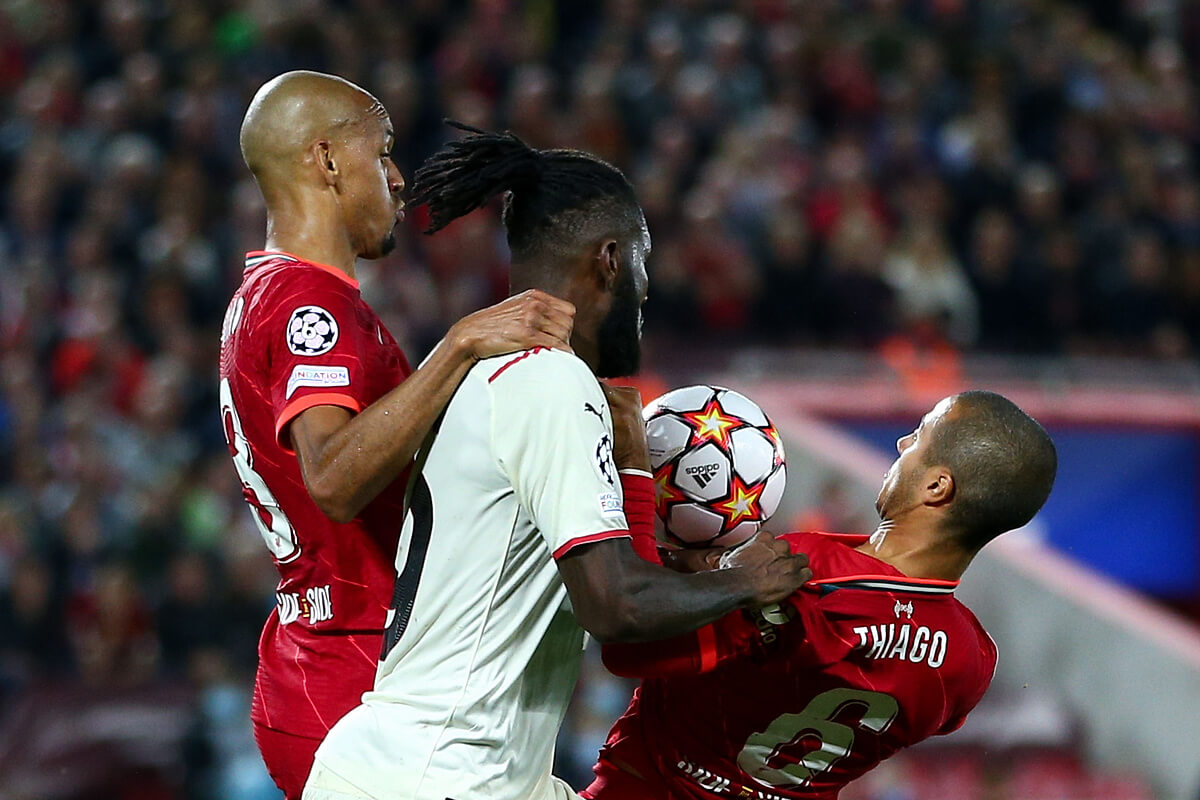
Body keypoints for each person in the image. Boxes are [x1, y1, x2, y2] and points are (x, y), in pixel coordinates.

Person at [303, 124, 813, 800]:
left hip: (435, 768)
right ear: (608, 259)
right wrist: (742, 581)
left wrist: (631, 467)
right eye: (642, 261)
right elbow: (614, 605)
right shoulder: (550, 379)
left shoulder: (477, 364)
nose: (646, 288)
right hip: (438, 776)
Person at [219, 72, 576, 800]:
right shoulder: (308, 306)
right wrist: (460, 346)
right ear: (325, 162)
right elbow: (337, 479)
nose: (398, 178)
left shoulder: (273, 293)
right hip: (351, 673)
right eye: (381, 154)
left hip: (332, 654)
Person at [585, 390, 1058, 800]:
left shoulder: (802, 573)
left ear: (937, 486)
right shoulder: (971, 661)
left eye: (918, 437)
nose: (902, 444)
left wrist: (633, 473)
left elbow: (632, 642)